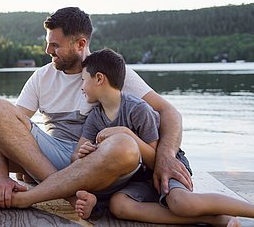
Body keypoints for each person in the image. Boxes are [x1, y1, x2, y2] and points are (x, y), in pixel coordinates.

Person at [0, 7, 191, 215]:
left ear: (80, 44)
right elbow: (5, 128)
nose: (48, 51)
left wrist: (165, 157)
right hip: (53, 160)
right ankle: (67, 195)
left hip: (100, 165)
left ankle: (42, 193)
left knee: (125, 146)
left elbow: (168, 111)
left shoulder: (108, 73)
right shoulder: (42, 77)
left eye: (55, 45)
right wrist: (0, 175)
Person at [73, 48, 253, 226]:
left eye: (83, 80)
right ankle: (212, 219)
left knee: (182, 204)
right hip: (139, 178)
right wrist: (85, 152)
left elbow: (155, 160)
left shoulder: (138, 109)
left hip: (166, 164)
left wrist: (127, 134)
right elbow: (76, 157)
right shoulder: (95, 117)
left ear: (98, 78)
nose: (81, 87)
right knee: (118, 206)